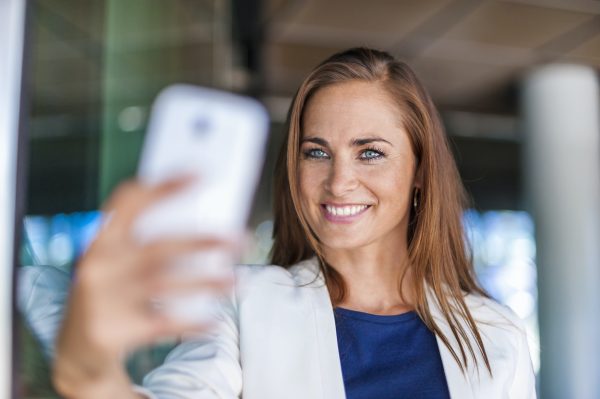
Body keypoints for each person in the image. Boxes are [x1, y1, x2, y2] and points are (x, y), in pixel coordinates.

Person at [52, 47, 536, 398]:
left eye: (370, 153)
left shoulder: (498, 335)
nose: (339, 181)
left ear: (420, 172)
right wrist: (89, 372)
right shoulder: (241, 302)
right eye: (317, 152)